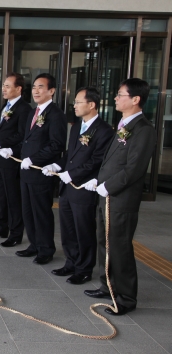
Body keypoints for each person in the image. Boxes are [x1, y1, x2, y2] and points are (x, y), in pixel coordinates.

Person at [83, 78, 156, 316]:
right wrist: (99, 180)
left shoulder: (143, 129)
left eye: (120, 94)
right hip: (107, 195)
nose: (115, 98)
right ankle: (108, 286)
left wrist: (109, 186)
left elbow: (134, 169)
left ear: (135, 99)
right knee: (105, 242)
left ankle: (125, 297)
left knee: (120, 247)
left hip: (121, 199)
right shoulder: (124, 123)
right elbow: (114, 161)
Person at [42, 88, 114, 284]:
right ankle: (71, 262)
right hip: (67, 188)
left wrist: (71, 174)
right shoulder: (76, 127)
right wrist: (57, 165)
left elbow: (97, 161)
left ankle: (84, 268)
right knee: (67, 228)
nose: (74, 105)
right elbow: (70, 154)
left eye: (78, 102)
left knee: (84, 230)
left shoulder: (104, 130)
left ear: (91, 105)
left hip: (84, 189)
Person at [1, 73, 66, 265]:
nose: (36, 91)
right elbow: (26, 140)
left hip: (40, 171)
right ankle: (34, 245)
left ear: (51, 91)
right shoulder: (33, 112)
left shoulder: (55, 114)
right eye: (35, 87)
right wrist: (12, 149)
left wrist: (33, 159)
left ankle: (46, 249)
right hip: (26, 171)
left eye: (41, 87)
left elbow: (56, 144)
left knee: (41, 211)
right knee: (27, 210)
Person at [0, 72, 32, 246]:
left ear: (18, 89)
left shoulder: (24, 109)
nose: (3, 89)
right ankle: (1, 226)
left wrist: (2, 142)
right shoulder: (5, 106)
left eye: (7, 86)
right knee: (1, 195)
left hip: (11, 158)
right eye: (3, 85)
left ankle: (15, 232)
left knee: (13, 197)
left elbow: (22, 135)